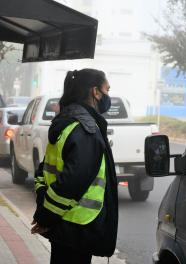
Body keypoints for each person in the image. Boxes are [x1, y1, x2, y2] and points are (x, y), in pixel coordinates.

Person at [31, 69, 118, 264]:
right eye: (107, 90)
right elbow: (71, 183)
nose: (108, 96)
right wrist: (44, 218)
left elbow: (43, 172)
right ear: (96, 92)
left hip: (63, 226)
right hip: (77, 226)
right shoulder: (85, 129)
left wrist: (44, 212)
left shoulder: (66, 122)